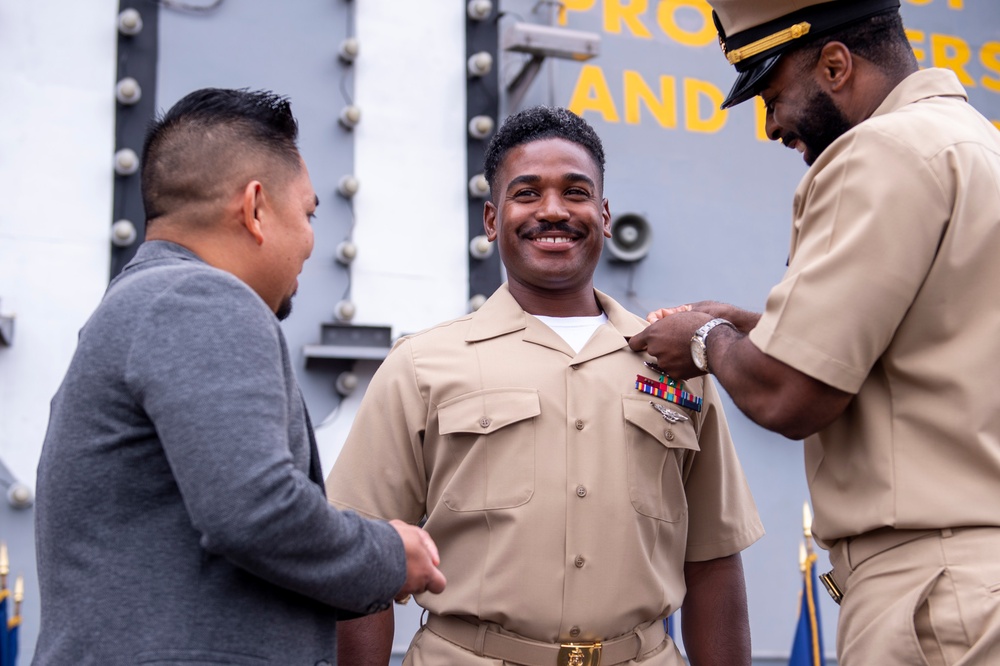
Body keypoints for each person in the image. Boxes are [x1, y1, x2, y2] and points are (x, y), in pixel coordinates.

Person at [628, 1, 1000, 663]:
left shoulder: (880, 152)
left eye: (772, 95)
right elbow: (927, 344)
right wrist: (758, 331)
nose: (771, 126)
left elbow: (790, 395)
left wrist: (704, 337)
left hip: (935, 596)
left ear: (834, 64)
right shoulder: (975, 145)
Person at [326, 106, 764, 666]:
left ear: (604, 215)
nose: (553, 211)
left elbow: (713, 560)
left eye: (576, 193)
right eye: (527, 193)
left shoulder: (675, 364)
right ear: (491, 220)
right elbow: (363, 561)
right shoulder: (421, 366)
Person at [32, 87, 445, 664]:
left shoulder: (141, 303)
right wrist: (390, 555)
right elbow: (256, 510)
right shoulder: (201, 298)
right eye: (307, 213)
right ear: (254, 208)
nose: (310, 242)